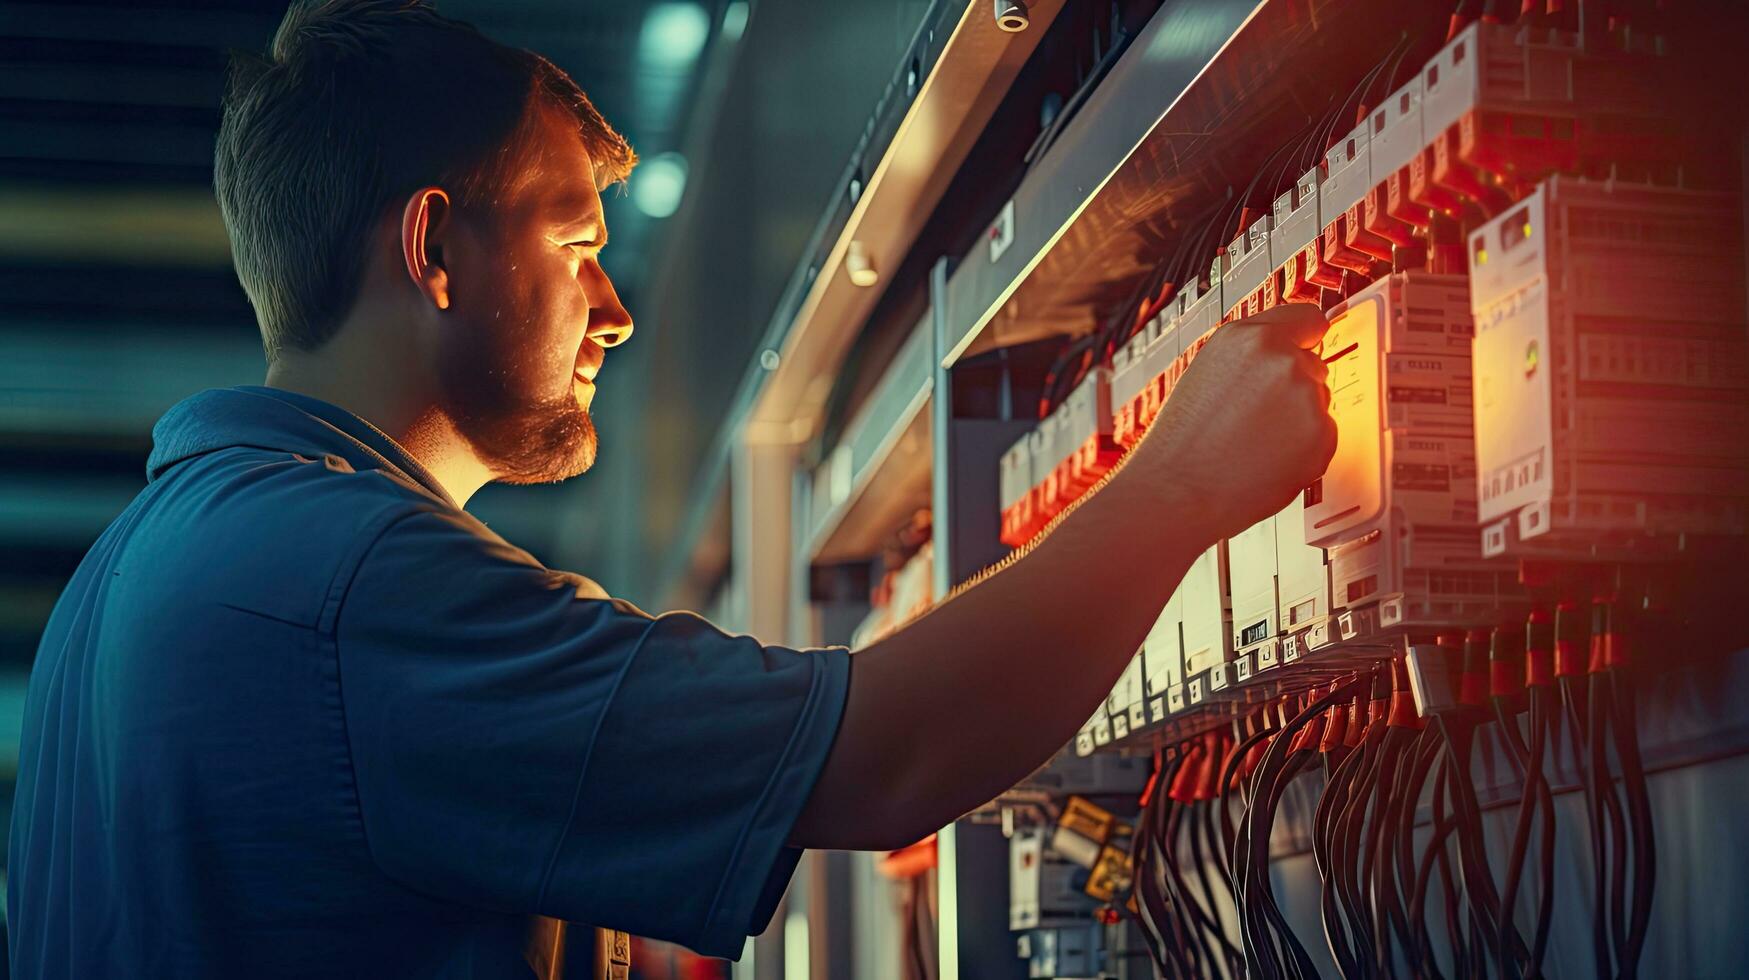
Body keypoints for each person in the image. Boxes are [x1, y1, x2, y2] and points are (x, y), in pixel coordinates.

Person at [5, 1, 1335, 977]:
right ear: (435, 246)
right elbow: (880, 758)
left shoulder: (129, 580)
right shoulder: (346, 581)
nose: (616, 309)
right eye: (576, 242)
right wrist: (1185, 482)